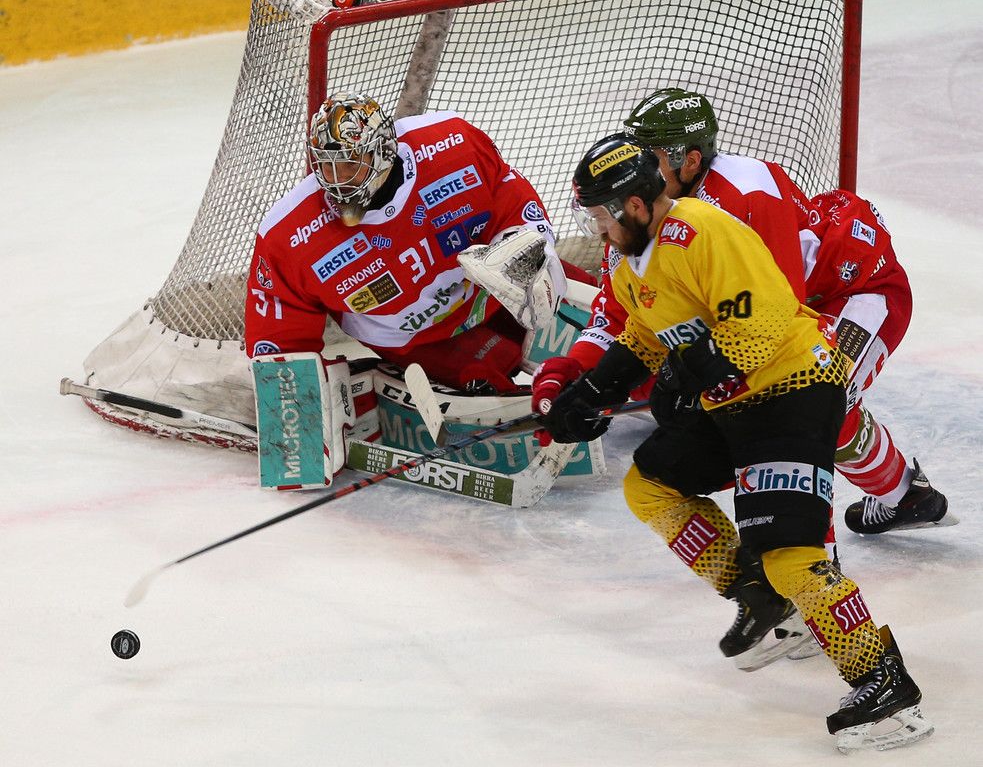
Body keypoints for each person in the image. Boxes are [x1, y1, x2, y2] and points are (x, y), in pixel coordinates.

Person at [539, 133, 933, 751]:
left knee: (789, 553)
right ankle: (758, 593)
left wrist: (689, 374)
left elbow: (763, 324)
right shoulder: (633, 261)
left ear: (635, 206)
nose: (596, 229)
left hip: (795, 388)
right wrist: (589, 394)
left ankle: (882, 679)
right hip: (737, 401)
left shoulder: (702, 232)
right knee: (650, 486)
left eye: (600, 215)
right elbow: (645, 337)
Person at [534, 87, 950, 536]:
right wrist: (577, 374)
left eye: (651, 157)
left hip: (855, 291)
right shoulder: (638, 213)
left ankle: (818, 548)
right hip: (784, 309)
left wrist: (696, 376)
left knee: (808, 406)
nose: (639, 167)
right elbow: (621, 317)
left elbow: (776, 318)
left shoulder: (748, 191)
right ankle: (906, 497)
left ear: (690, 161)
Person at [245, 92, 574, 397]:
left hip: (492, 296)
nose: (337, 179)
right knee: (489, 390)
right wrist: (291, 396)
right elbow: (279, 335)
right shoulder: (289, 235)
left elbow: (507, 192)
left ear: (383, 151)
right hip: (420, 341)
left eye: (350, 164)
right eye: (326, 166)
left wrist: (532, 254)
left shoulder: (451, 142)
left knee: (587, 314)